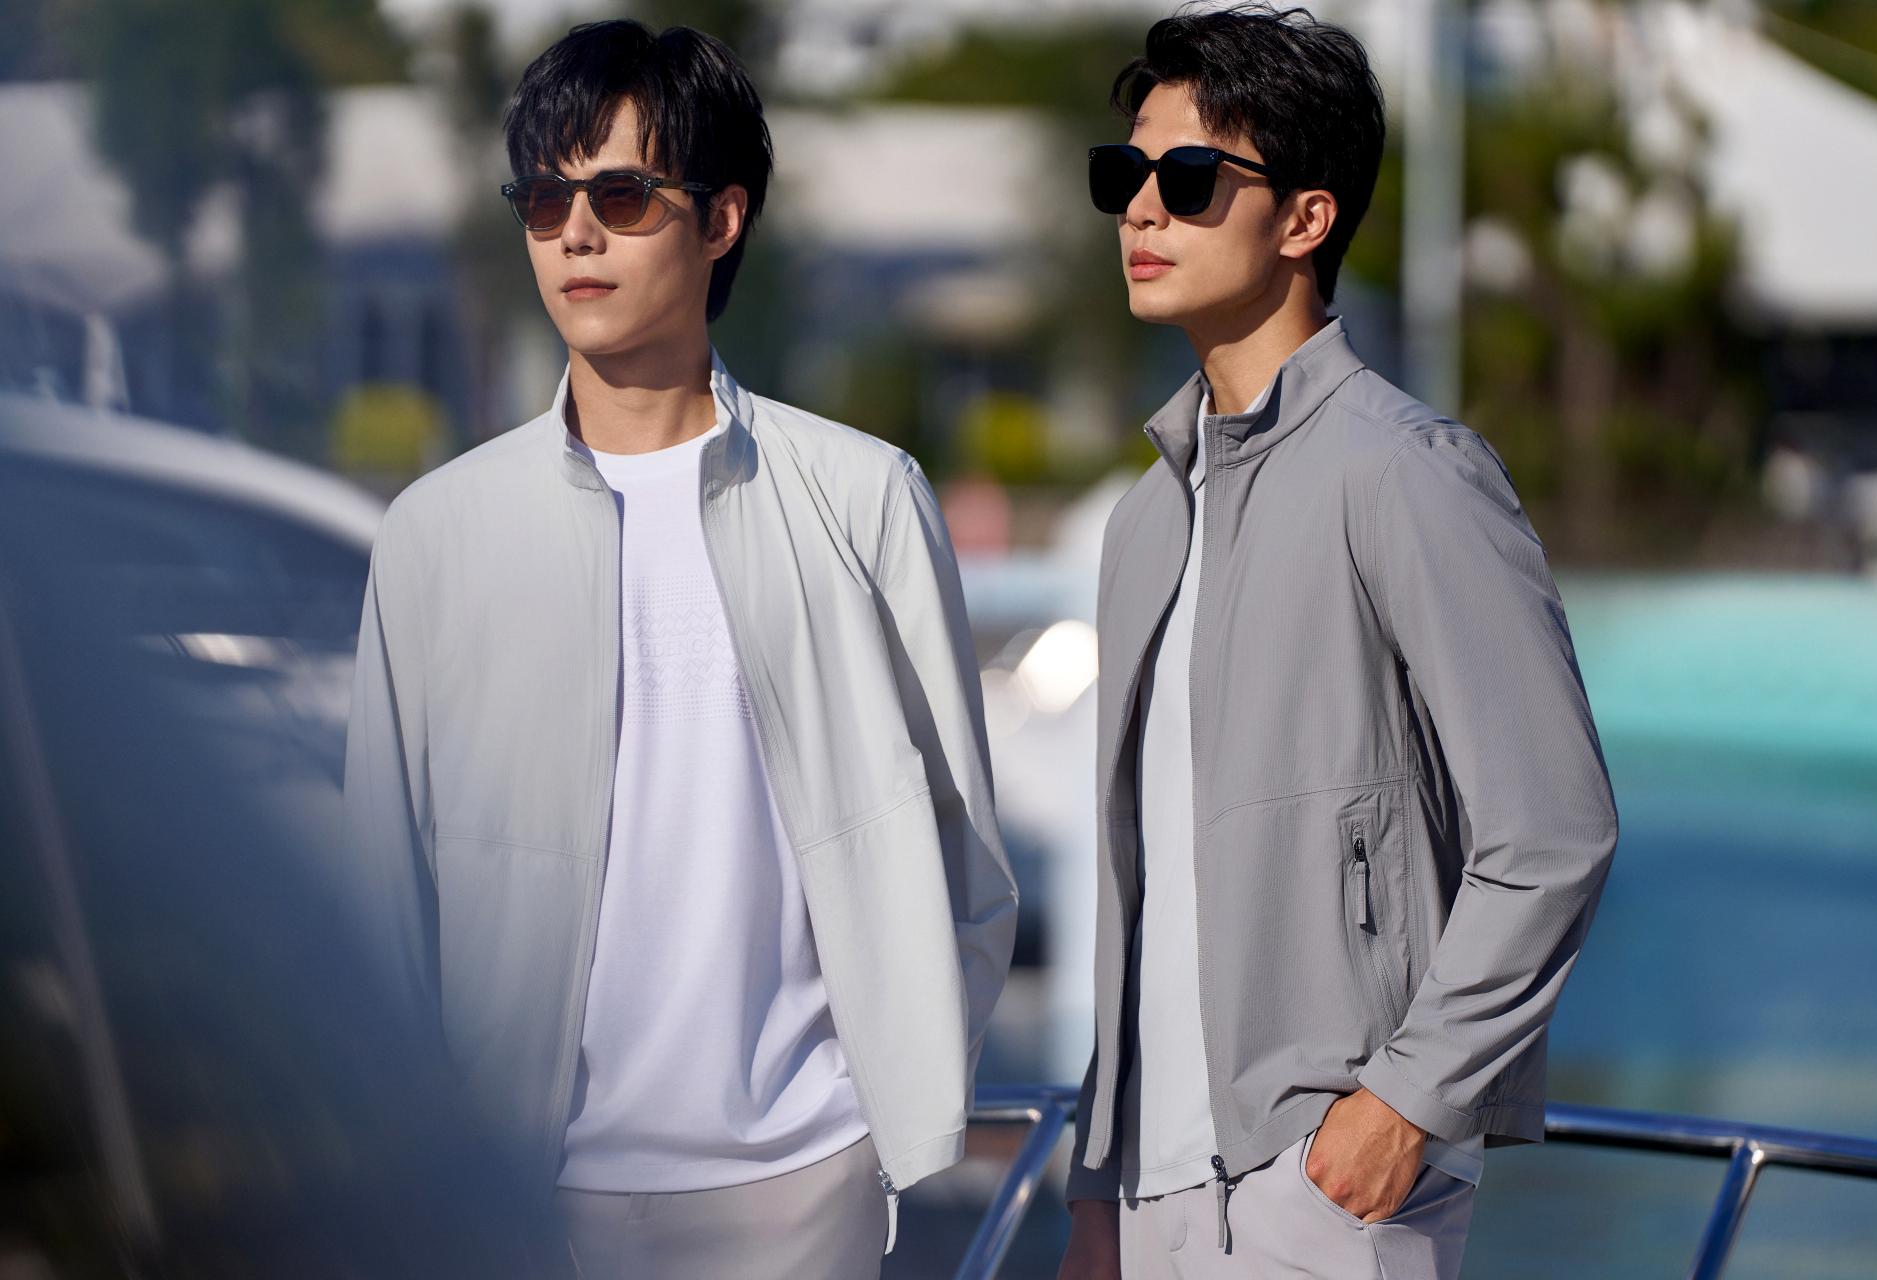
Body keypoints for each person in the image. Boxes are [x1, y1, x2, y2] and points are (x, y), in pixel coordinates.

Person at [341, 20, 1018, 1279]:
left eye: (619, 195)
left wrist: (889, 1109)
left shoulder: (863, 495)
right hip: (521, 1193)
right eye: (543, 199)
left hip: (806, 1178)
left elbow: (961, 847)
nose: (575, 234)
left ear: (720, 219)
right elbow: (385, 892)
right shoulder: (435, 533)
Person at [1056, 6, 1618, 1278]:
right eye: (1123, 173)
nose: (1140, 208)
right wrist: (1097, 1177)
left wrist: (1406, 1102)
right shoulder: (1146, 517)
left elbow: (1554, 829)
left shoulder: (1407, 471)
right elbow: (1142, 889)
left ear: (1306, 219)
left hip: (1322, 1176)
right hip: (1150, 1189)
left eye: (1187, 177)